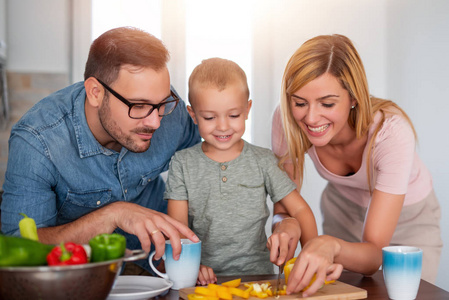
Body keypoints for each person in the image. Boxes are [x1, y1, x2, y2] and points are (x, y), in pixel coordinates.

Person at [0, 27, 202, 273]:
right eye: (138, 105)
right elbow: (19, 249)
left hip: (162, 270)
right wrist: (112, 215)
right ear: (95, 92)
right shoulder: (38, 141)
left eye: (161, 104)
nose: (156, 122)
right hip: (82, 281)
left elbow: (210, 161)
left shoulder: (172, 113)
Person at [271, 34, 442, 296]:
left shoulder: (391, 132)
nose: (311, 117)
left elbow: (373, 254)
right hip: (344, 207)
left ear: (353, 97)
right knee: (339, 292)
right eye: (299, 103)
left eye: (327, 103)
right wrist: (284, 222)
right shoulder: (287, 121)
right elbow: (285, 204)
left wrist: (332, 246)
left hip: (410, 219)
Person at [165, 58, 318, 285]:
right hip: (205, 282)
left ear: (247, 110)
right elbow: (178, 230)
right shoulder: (182, 163)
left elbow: (301, 210)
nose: (223, 126)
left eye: (233, 115)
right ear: (193, 114)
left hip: (259, 279)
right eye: (209, 117)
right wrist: (192, 267)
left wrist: (312, 258)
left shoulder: (263, 160)